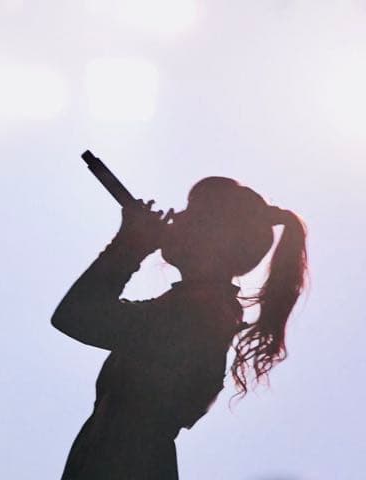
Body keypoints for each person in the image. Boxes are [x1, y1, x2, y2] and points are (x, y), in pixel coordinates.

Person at [51, 176, 308, 480]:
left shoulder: (197, 313)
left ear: (214, 236)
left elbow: (78, 315)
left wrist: (129, 245)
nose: (176, 216)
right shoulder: (199, 308)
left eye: (192, 212)